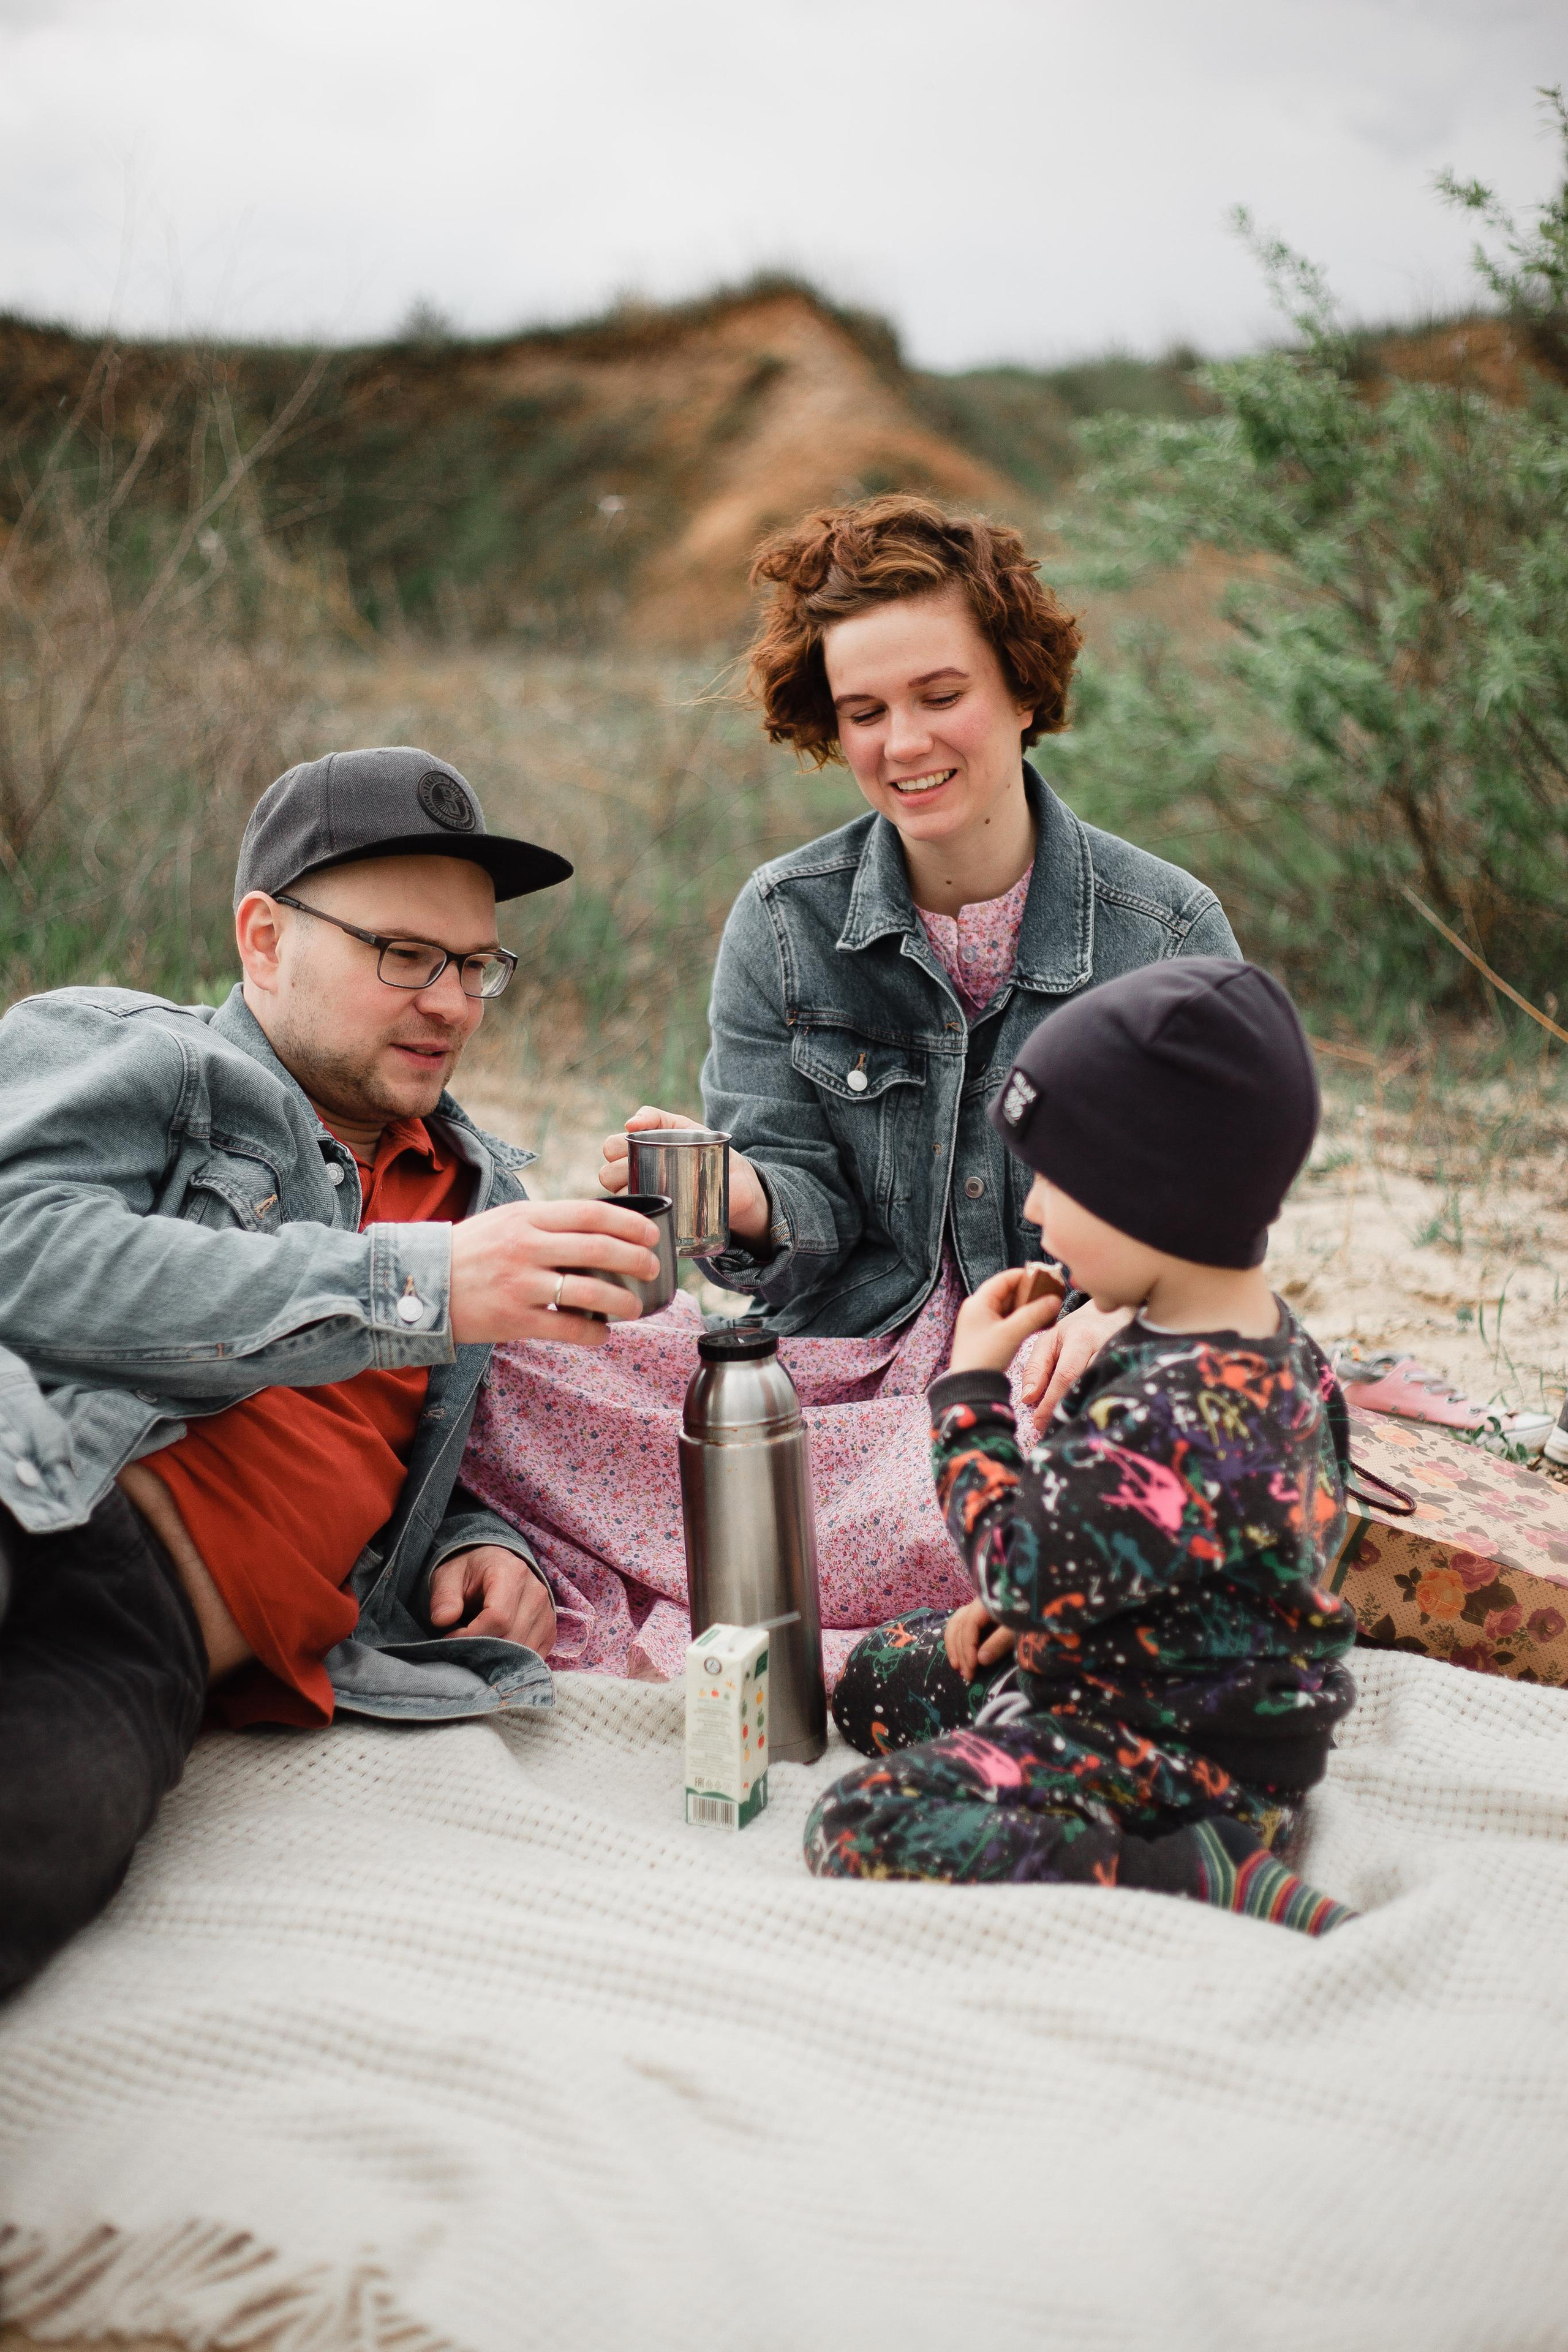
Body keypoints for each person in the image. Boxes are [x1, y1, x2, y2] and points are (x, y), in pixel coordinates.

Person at [0, 745, 662, 1997]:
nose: (450, 1003)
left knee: (35, 1854)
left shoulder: (481, 1202)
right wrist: (407, 1287)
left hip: (156, 1638)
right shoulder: (145, 1058)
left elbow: (410, 1439)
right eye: (401, 954)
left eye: (474, 965)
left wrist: (480, 1541)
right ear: (262, 938)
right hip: (33, 1476)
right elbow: (20, 1252)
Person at [601, 493, 1240, 1431]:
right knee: (541, 1371)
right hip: (840, 1373)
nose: (904, 744)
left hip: (1063, 1381)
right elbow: (806, 1244)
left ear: (1023, 690)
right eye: (865, 712)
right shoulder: (784, 921)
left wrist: (1123, 1315)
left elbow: (1220, 1213)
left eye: (942, 697)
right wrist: (745, 1197)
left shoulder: (1169, 933)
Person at [804, 958, 1360, 1936]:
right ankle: (1142, 1806)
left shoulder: (1168, 1410)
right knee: (879, 1679)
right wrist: (1055, 1624)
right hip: (1222, 1706)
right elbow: (1206, 1559)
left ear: (1156, 1193)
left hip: (1167, 1754)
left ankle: (1172, 1868)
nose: (1031, 1213)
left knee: (858, 1820)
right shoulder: (1281, 1351)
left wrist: (970, 1390)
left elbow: (1020, 1570)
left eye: (1057, 1182)